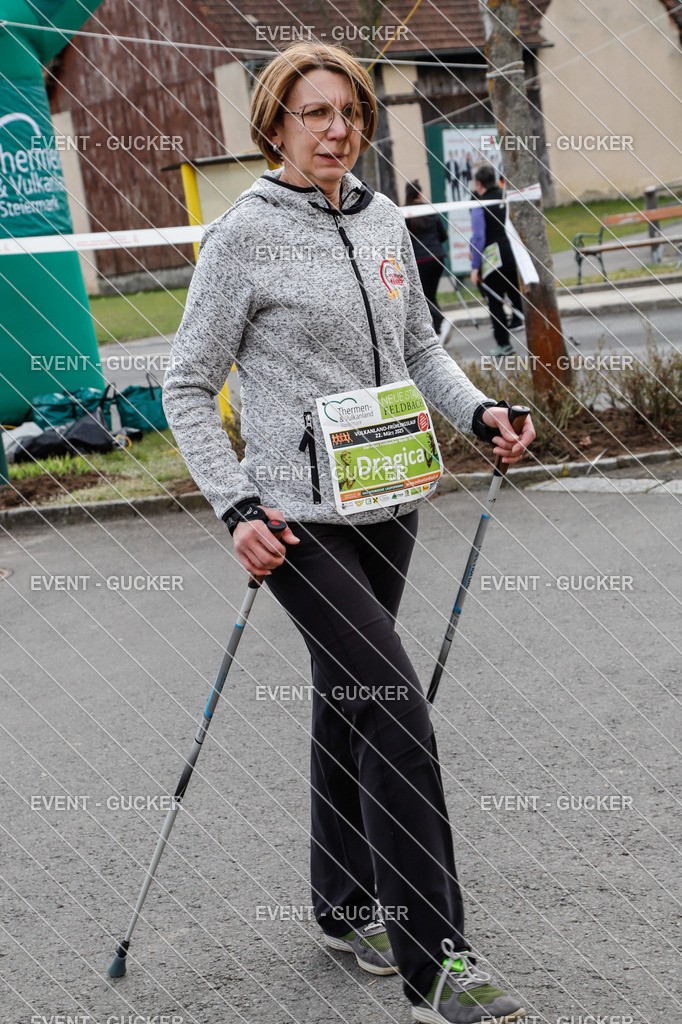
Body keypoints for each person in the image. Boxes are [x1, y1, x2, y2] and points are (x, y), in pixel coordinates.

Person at [164, 41, 535, 1024]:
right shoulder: (243, 236)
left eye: (349, 114)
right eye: (313, 113)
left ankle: (340, 897)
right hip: (295, 520)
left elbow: (419, 350)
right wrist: (236, 504)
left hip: (389, 495)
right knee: (396, 709)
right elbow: (186, 386)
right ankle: (436, 963)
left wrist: (481, 411)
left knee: (350, 692)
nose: (335, 130)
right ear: (274, 124)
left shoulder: (381, 220)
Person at [470, 163, 525, 358]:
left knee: (494, 301)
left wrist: (475, 266)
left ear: (479, 184)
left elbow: (478, 237)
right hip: (512, 250)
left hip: (494, 255)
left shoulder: (479, 203)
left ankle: (504, 344)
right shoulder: (505, 196)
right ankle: (523, 321)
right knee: (515, 290)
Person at [404, 179, 452, 344]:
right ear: (420, 193)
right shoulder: (429, 210)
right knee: (430, 294)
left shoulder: (406, 215)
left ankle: (441, 323)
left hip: (420, 261)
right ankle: (439, 329)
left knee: (425, 296)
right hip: (437, 257)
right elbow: (443, 234)